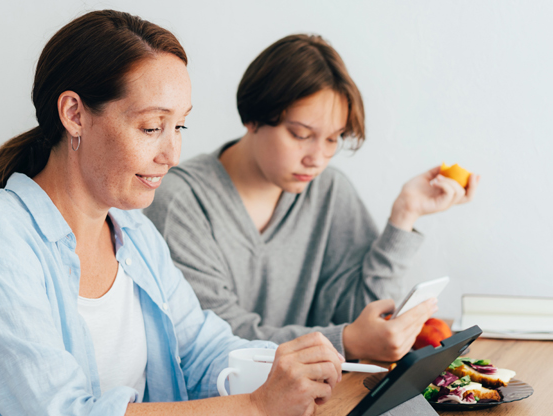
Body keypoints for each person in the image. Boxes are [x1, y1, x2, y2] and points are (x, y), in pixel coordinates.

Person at [0, 12, 345, 416]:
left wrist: (305, 367)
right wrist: (256, 408)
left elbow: (203, 353)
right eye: (151, 127)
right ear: (75, 115)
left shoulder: (134, 235)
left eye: (178, 126)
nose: (172, 153)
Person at [145, 34, 480, 363]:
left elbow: (366, 317)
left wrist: (404, 217)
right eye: (300, 135)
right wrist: (345, 341)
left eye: (333, 139)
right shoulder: (181, 201)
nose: (317, 158)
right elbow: (217, 339)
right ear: (252, 118)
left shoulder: (328, 190)